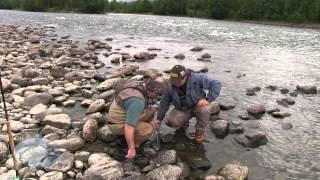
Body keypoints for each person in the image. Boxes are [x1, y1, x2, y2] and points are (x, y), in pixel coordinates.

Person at [155, 65, 221, 144]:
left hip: (199, 106)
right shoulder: (170, 85)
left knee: (204, 110)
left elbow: (216, 83)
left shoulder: (197, 77)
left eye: (178, 81)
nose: (175, 83)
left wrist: (207, 99)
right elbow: (164, 103)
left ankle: (199, 134)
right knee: (170, 121)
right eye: (174, 80)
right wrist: (159, 119)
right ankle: (184, 123)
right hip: (184, 108)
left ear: (185, 76)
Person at [107, 75, 167, 159]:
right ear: (153, 91)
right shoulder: (137, 101)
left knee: (152, 109)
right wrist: (131, 149)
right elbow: (128, 127)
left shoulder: (140, 85)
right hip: (117, 124)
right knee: (149, 129)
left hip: (118, 115)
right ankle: (128, 145)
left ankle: (137, 130)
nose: (158, 97)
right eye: (158, 94)